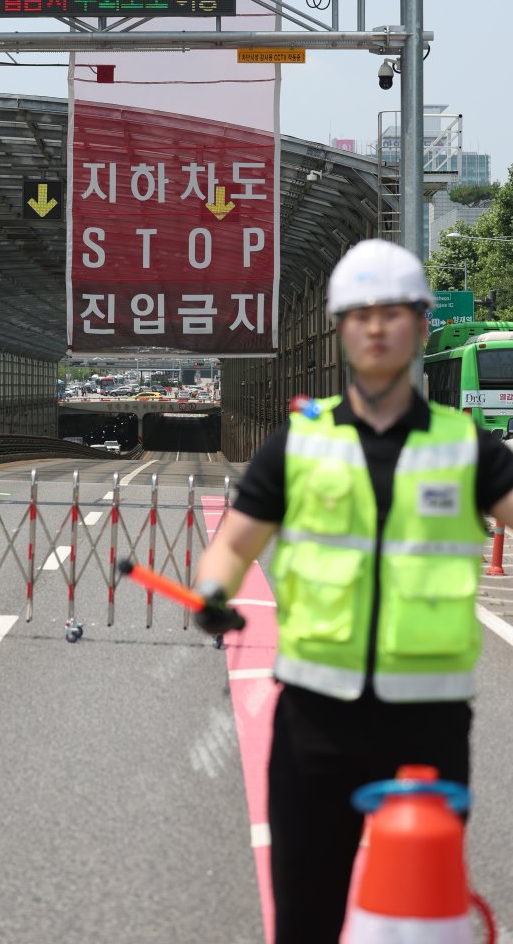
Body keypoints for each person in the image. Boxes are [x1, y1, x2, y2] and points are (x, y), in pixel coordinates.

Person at [193, 238, 513, 944]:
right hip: (315, 726)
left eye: (394, 311)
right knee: (305, 918)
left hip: (426, 728)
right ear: (340, 328)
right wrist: (213, 589)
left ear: (423, 325)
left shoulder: (468, 448)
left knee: (421, 925)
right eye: (360, 313)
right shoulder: (298, 445)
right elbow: (236, 541)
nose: (377, 326)